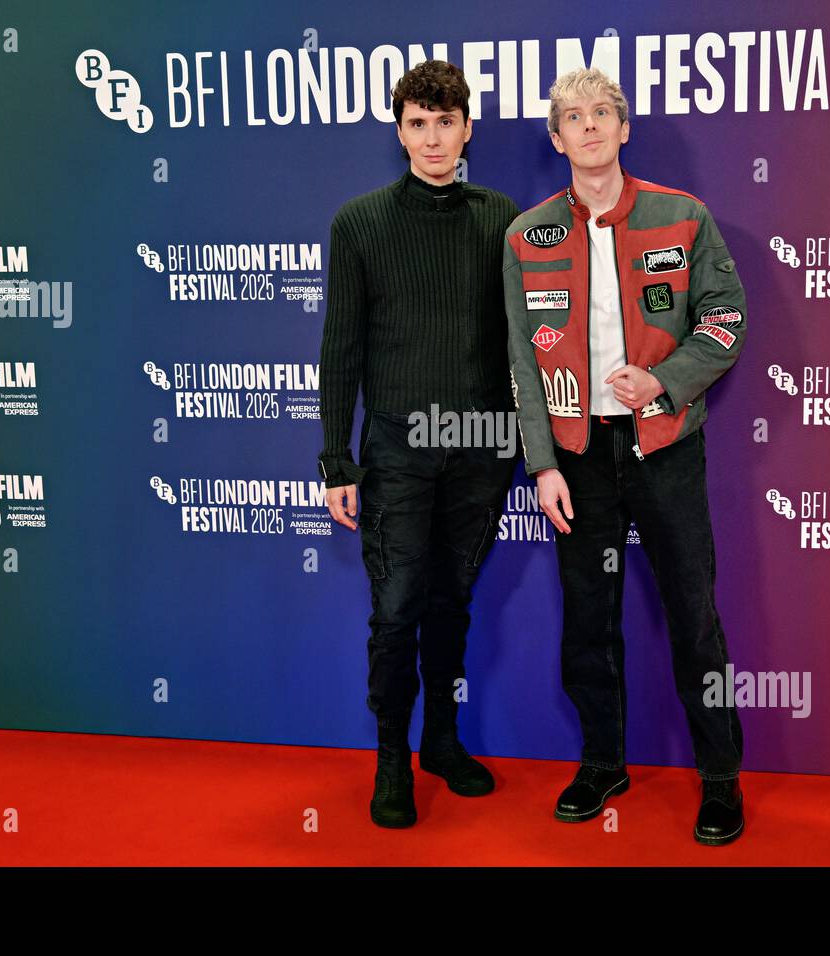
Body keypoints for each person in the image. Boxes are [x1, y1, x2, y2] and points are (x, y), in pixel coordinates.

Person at [503, 67, 748, 844]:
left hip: (664, 446)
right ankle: (602, 761)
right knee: (587, 620)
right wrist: (542, 463)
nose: (589, 126)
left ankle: (720, 777)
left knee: (693, 616)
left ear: (624, 127)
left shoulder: (684, 216)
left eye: (601, 112)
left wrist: (664, 382)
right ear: (557, 138)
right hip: (577, 455)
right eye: (573, 117)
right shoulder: (525, 235)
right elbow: (520, 362)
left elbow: (726, 318)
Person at [319, 60, 520, 828]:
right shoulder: (360, 223)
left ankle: (441, 739)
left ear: (468, 128)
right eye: (418, 124)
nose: (433, 138)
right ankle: (390, 760)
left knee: (452, 600)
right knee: (397, 607)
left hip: (481, 447)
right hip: (397, 451)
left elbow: (523, 343)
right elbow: (341, 349)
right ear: (399, 132)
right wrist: (337, 458)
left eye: (445, 122)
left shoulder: (501, 219)